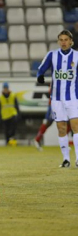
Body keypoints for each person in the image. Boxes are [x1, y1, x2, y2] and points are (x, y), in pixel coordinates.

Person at [37, 29, 78, 168]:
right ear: (58, 41)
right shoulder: (52, 55)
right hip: (56, 99)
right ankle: (66, 159)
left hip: (73, 98)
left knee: (76, 127)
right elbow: (41, 68)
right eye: (61, 40)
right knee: (61, 128)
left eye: (66, 39)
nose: (63, 42)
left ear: (71, 41)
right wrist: (40, 76)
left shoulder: (77, 56)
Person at [0, 82, 21, 146]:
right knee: (6, 131)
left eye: (6, 88)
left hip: (13, 115)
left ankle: (12, 140)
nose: (5, 89)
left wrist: (18, 114)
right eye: (4, 88)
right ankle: (7, 142)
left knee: (13, 129)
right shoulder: (1, 97)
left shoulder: (13, 95)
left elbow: (16, 106)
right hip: (5, 116)